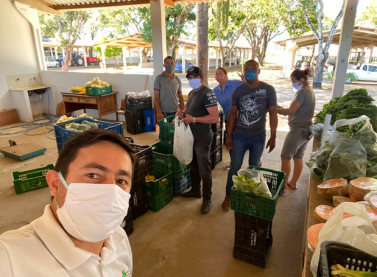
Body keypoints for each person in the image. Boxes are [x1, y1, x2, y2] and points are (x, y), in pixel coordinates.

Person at [0, 129, 135, 276]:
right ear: (55, 184)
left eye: (121, 181)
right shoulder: (9, 257)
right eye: (93, 175)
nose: (110, 191)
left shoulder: (118, 238)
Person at [221, 60, 278, 211]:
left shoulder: (268, 90)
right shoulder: (239, 91)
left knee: (254, 168)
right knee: (235, 166)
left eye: (253, 69)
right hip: (239, 135)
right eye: (247, 69)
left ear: (259, 71)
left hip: (258, 137)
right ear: (243, 71)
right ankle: (229, 195)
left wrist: (273, 136)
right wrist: (229, 135)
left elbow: (273, 113)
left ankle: (250, 196)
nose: (250, 71)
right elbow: (233, 114)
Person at [177, 66, 219, 214]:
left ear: (201, 77)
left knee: (204, 169)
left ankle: (207, 198)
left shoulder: (208, 93)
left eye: (194, 77)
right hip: (190, 137)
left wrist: (193, 119)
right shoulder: (192, 93)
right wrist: (183, 113)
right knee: (192, 165)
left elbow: (215, 118)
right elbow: (190, 113)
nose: (191, 80)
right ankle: (196, 190)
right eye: (189, 77)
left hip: (202, 137)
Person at [277, 69, 315, 192]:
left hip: (298, 130)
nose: (292, 83)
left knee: (285, 157)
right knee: (298, 157)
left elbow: (291, 111)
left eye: (293, 81)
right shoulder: (310, 91)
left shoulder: (303, 92)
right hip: (307, 130)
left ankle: (283, 187)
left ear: (301, 80)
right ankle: (292, 183)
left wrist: (274, 109)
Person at [213, 67, 243, 170]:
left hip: (241, 118)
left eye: (221, 73)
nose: (219, 75)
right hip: (228, 120)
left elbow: (250, 86)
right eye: (216, 74)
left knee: (242, 140)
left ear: (226, 75)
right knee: (229, 141)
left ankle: (256, 160)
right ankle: (233, 163)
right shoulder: (215, 91)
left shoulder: (235, 83)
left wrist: (245, 79)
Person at [154, 56, 185, 121]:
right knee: (164, 131)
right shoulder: (159, 78)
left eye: (172, 63)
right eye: (167, 63)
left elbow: (180, 96)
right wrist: (159, 112)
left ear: (174, 65)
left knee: (175, 130)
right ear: (164, 65)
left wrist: (183, 109)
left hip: (175, 112)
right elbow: (156, 97)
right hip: (163, 113)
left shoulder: (178, 80)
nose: (170, 65)